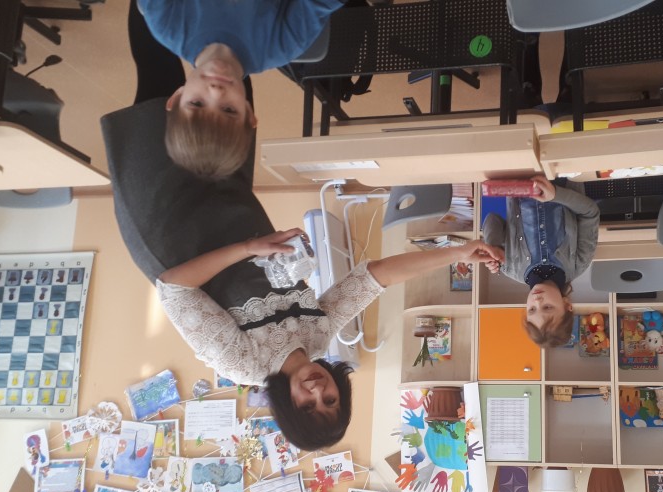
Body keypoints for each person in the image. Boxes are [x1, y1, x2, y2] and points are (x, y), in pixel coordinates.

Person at [107, 2, 504, 452]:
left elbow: (175, 289)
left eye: (308, 405)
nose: (317, 391)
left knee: (158, 81)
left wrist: (250, 247)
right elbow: (375, 277)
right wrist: (457, 252)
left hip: (170, 224)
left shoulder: (242, 364)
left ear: (288, 406)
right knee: (233, 83)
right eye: (330, 399)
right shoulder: (317, 336)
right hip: (230, 210)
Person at [136, 0, 344, 180]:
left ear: (177, 97)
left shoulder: (167, 25)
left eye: (197, 103)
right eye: (228, 110)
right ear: (249, 113)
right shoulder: (282, 45)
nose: (216, 92)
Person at [481, 176, 600, 347]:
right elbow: (590, 212)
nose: (537, 301)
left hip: (518, 176)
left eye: (532, 310)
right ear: (567, 305)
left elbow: (492, 219)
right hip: (563, 173)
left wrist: (492, 246)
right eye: (548, 307)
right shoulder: (580, 262)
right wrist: (556, 195)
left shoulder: (508, 266)